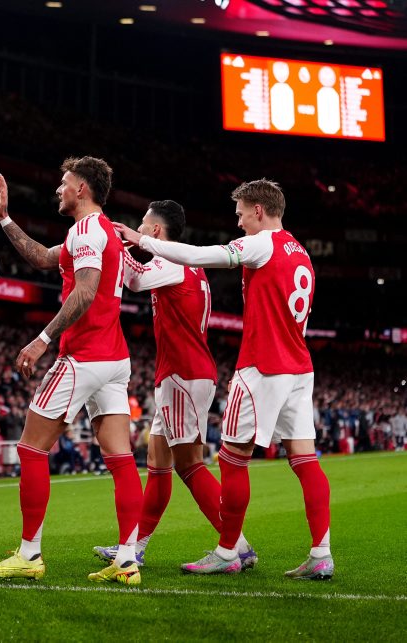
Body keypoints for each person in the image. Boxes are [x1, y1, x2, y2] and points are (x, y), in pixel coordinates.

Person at [114, 179, 333, 580]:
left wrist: (139, 239)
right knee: (305, 460)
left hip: (262, 365)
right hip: (299, 366)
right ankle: (321, 553)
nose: (238, 222)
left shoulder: (262, 243)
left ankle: (229, 550)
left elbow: (201, 254)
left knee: (231, 460)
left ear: (258, 211)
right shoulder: (300, 251)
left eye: (241, 213)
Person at [0, 158, 143, 585]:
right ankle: (127, 560)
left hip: (84, 356)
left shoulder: (87, 231)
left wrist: (42, 339)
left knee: (31, 449)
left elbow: (85, 292)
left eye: (64, 183)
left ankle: (29, 554)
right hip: (115, 359)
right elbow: (42, 258)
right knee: (121, 459)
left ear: (82, 189)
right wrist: (4, 219)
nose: (58, 189)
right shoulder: (99, 231)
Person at [92, 200, 257, 570]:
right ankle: (134, 546)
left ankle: (237, 546)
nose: (138, 229)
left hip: (183, 374)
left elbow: (134, 280)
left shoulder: (172, 260)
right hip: (181, 373)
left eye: (142, 224)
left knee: (189, 465)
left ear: (155, 230)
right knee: (158, 464)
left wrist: (113, 241)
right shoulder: (185, 263)